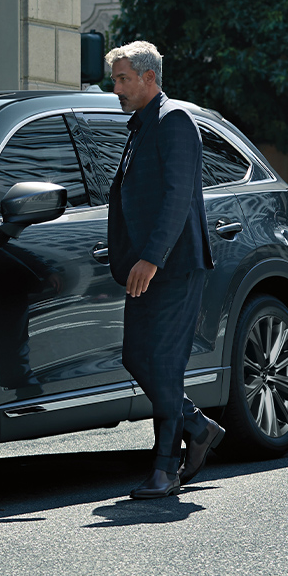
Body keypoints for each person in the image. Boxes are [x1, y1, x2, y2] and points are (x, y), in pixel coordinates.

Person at [104, 41, 223, 499]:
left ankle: (165, 469)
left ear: (149, 78)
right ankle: (198, 426)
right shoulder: (142, 125)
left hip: (172, 267)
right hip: (146, 268)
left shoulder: (175, 121)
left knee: (166, 367)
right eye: (115, 79)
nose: (115, 87)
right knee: (137, 356)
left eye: (122, 79)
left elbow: (176, 199)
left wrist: (151, 258)